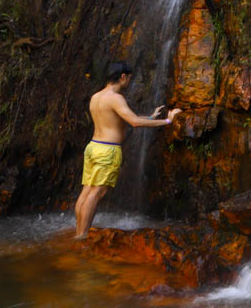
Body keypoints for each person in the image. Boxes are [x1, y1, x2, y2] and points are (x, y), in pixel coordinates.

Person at [74, 60, 180, 240]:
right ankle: (82, 236)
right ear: (122, 77)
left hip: (93, 147)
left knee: (86, 191)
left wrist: (150, 117)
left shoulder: (96, 97)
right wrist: (167, 121)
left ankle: (78, 232)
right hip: (107, 151)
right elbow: (134, 122)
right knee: (97, 192)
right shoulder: (116, 98)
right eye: (129, 78)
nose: (129, 82)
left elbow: (119, 119)